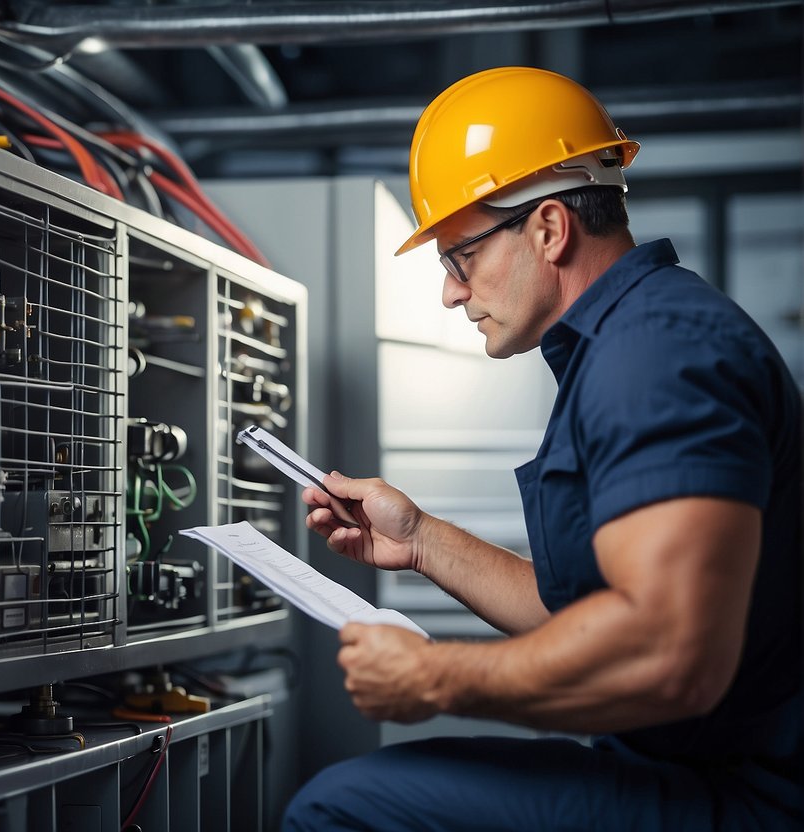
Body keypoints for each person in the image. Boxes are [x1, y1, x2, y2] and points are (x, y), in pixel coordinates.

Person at [283, 66, 802, 830]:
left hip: (743, 794)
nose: (451, 293)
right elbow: (585, 612)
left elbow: (668, 654)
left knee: (339, 807)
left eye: (459, 257)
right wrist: (420, 540)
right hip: (690, 765)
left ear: (549, 228)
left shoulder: (655, 355)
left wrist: (435, 678)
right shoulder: (625, 343)